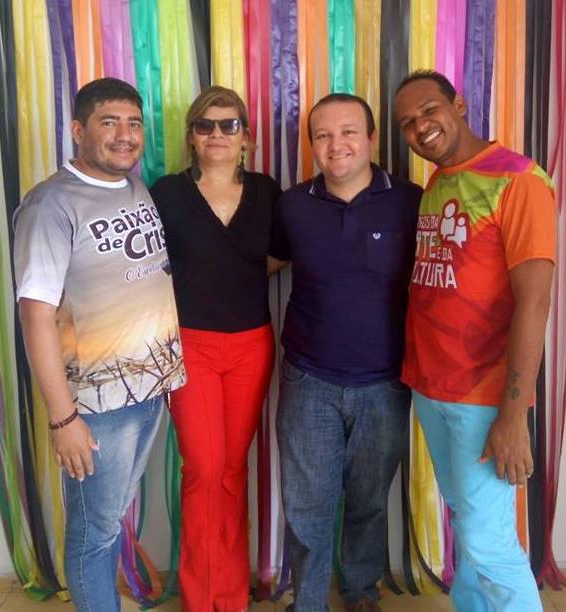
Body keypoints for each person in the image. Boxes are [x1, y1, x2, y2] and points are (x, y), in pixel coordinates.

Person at [13, 77, 186, 612]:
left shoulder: (134, 187)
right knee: (93, 535)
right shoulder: (50, 205)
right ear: (77, 129)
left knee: (109, 523)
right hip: (94, 408)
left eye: (133, 124)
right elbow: (35, 315)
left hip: (148, 392)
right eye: (109, 122)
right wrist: (63, 419)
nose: (124, 135)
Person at [395, 69, 556, 612]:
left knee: (490, 545)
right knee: (469, 524)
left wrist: (513, 414)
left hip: (484, 396)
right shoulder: (438, 183)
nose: (421, 127)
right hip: (431, 386)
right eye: (408, 123)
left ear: (458, 105)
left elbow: (535, 302)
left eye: (429, 110)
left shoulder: (518, 180)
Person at [270, 93, 422, 612]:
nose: (337, 145)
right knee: (307, 506)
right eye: (323, 135)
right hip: (308, 380)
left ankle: (360, 593)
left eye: (349, 132)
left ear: (372, 139)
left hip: (386, 383)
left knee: (368, 501)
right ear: (312, 145)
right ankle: (309, 602)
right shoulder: (292, 205)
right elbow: (262, 263)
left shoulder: (411, 201)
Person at [149, 86, 281, 612]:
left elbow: (279, 255)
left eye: (229, 125)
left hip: (252, 345)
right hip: (190, 347)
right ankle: (200, 599)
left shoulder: (266, 191)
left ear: (246, 136)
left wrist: (230, 275)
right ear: (192, 136)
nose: (218, 134)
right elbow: (145, 265)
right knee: (203, 468)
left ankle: (230, 596)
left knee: (232, 469)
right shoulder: (166, 193)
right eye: (206, 125)